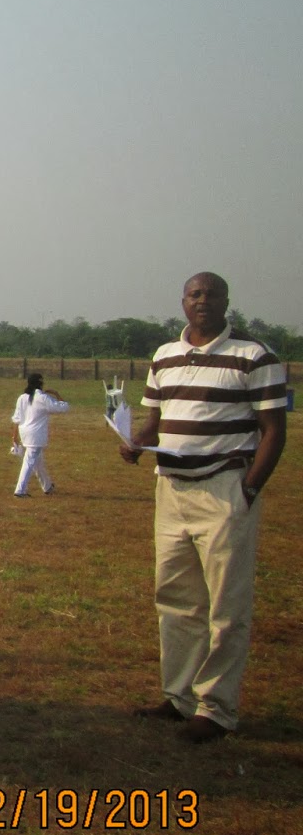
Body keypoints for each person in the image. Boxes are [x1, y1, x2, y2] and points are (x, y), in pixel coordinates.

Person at [122, 272, 287, 744]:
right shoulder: (164, 356)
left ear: (226, 302)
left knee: (226, 606)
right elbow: (155, 421)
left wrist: (248, 489)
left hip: (224, 489)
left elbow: (273, 430)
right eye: (195, 294)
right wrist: (135, 443)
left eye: (212, 294)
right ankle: (179, 697)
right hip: (171, 490)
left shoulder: (254, 356)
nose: (203, 301)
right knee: (176, 599)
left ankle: (216, 708)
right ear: (183, 302)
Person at [10, 374, 68, 497]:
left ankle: (47, 486)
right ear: (41, 384)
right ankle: (20, 491)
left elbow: (16, 418)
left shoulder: (22, 398)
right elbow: (63, 407)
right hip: (36, 436)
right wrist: (56, 394)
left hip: (24, 433)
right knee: (29, 462)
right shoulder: (42, 398)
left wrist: (14, 437)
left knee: (38, 462)